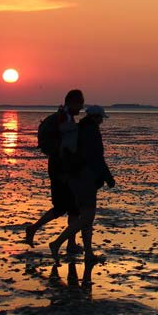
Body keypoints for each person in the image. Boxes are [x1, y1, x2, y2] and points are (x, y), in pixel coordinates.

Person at [49, 105, 115, 264]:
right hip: (84, 178)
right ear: (95, 117)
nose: (101, 122)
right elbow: (97, 158)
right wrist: (108, 177)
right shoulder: (91, 132)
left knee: (86, 217)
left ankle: (89, 254)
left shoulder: (79, 128)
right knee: (87, 217)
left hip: (75, 177)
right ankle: (57, 243)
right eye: (100, 118)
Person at [25, 89, 85, 250]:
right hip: (61, 167)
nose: (82, 107)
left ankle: (70, 243)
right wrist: (66, 170)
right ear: (72, 102)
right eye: (80, 103)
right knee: (63, 207)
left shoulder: (62, 117)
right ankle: (34, 229)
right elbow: (66, 146)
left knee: (72, 207)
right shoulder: (63, 118)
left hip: (61, 165)